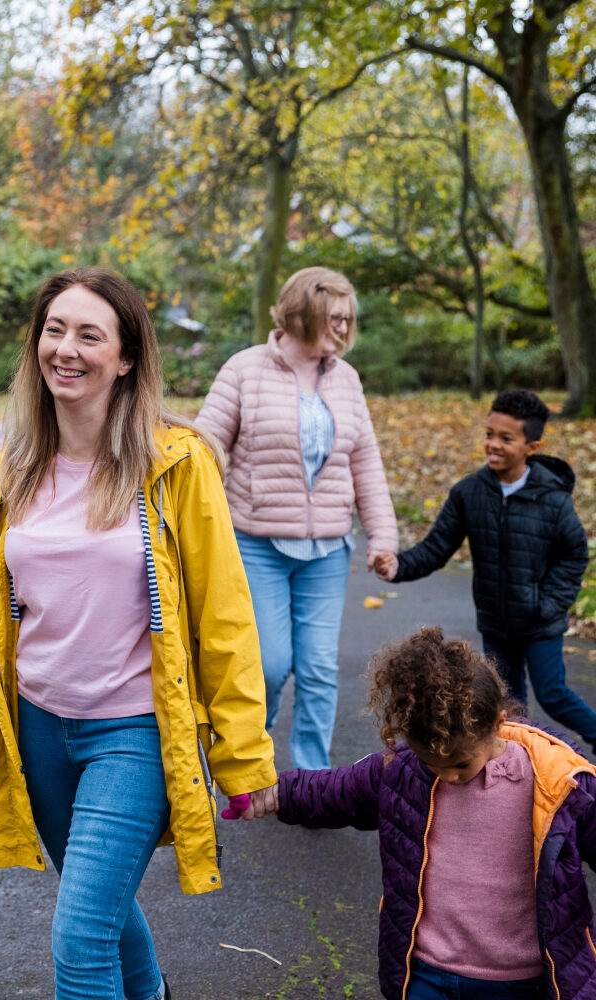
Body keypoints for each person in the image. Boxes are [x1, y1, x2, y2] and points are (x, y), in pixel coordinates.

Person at [0, 267, 277, 1000]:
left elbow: (223, 615)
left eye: (89, 334)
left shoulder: (176, 466)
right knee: (104, 911)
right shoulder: (14, 470)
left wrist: (245, 754)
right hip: (38, 728)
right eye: (54, 330)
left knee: (79, 937)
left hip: (134, 732)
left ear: (125, 358)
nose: (66, 348)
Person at [261, 626, 596, 999]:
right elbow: (336, 791)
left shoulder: (557, 779)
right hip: (427, 974)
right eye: (432, 763)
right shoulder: (404, 769)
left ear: (498, 725)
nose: (448, 776)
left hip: (523, 981)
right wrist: (274, 793)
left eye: (460, 764)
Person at [197, 265, 397, 770]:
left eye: (349, 319)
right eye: (335, 318)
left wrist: (383, 536)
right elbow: (204, 452)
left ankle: (313, 777)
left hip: (328, 548)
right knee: (268, 665)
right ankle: (251, 756)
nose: (345, 329)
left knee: (318, 668)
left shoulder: (346, 379)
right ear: (304, 314)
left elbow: (365, 459)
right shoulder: (244, 369)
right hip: (256, 542)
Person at [375, 389, 595, 753]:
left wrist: (550, 603)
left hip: (541, 622)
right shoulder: (469, 492)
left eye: (506, 438)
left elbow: (574, 554)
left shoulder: (553, 499)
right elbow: (437, 547)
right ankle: (520, 768)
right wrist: (397, 566)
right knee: (508, 705)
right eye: (489, 434)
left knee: (553, 694)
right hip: (496, 621)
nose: (493, 444)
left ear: (532, 446)